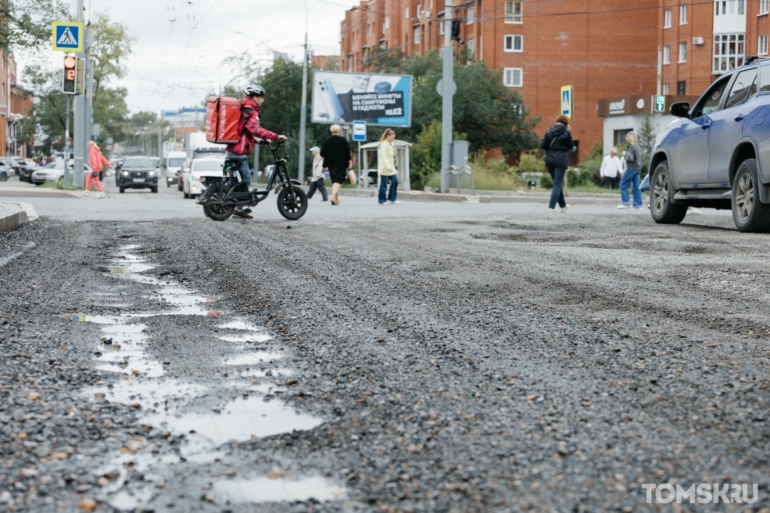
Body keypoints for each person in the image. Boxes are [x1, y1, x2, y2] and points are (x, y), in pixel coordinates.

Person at [226, 85, 287, 219]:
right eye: (261, 97)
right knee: (245, 180)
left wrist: (256, 140)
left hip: (234, 148)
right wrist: (276, 136)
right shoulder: (250, 110)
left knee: (237, 180)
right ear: (255, 97)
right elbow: (256, 129)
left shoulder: (243, 107)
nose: (263, 100)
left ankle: (234, 206)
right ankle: (238, 208)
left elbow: (243, 129)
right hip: (239, 150)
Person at [540, 114, 573, 213]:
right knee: (557, 184)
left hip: (550, 160)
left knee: (557, 183)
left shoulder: (549, 130)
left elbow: (543, 145)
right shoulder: (566, 132)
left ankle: (563, 206)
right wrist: (569, 132)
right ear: (566, 122)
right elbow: (571, 146)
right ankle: (551, 207)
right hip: (561, 160)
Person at [320, 124, 352, 206]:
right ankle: (333, 197)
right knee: (337, 181)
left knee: (334, 181)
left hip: (330, 164)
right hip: (341, 163)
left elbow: (322, 153)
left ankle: (336, 200)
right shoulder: (343, 140)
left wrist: (317, 163)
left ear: (331, 131)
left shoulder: (327, 141)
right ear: (339, 130)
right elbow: (347, 153)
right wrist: (350, 162)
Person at [617, 132, 644, 209]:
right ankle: (638, 205)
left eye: (627, 137)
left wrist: (625, 154)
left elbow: (630, 158)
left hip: (631, 168)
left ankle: (626, 202)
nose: (626, 138)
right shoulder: (638, 147)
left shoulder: (631, 147)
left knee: (622, 184)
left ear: (630, 138)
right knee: (637, 187)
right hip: (638, 169)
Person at [378, 129, 399, 205]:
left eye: (394, 137)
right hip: (385, 167)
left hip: (391, 167)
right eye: (392, 137)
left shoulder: (391, 144)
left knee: (395, 181)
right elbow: (384, 156)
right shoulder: (383, 144)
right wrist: (387, 166)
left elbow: (391, 154)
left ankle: (392, 198)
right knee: (384, 184)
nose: (393, 139)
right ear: (387, 136)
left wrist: (394, 151)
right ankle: (382, 200)